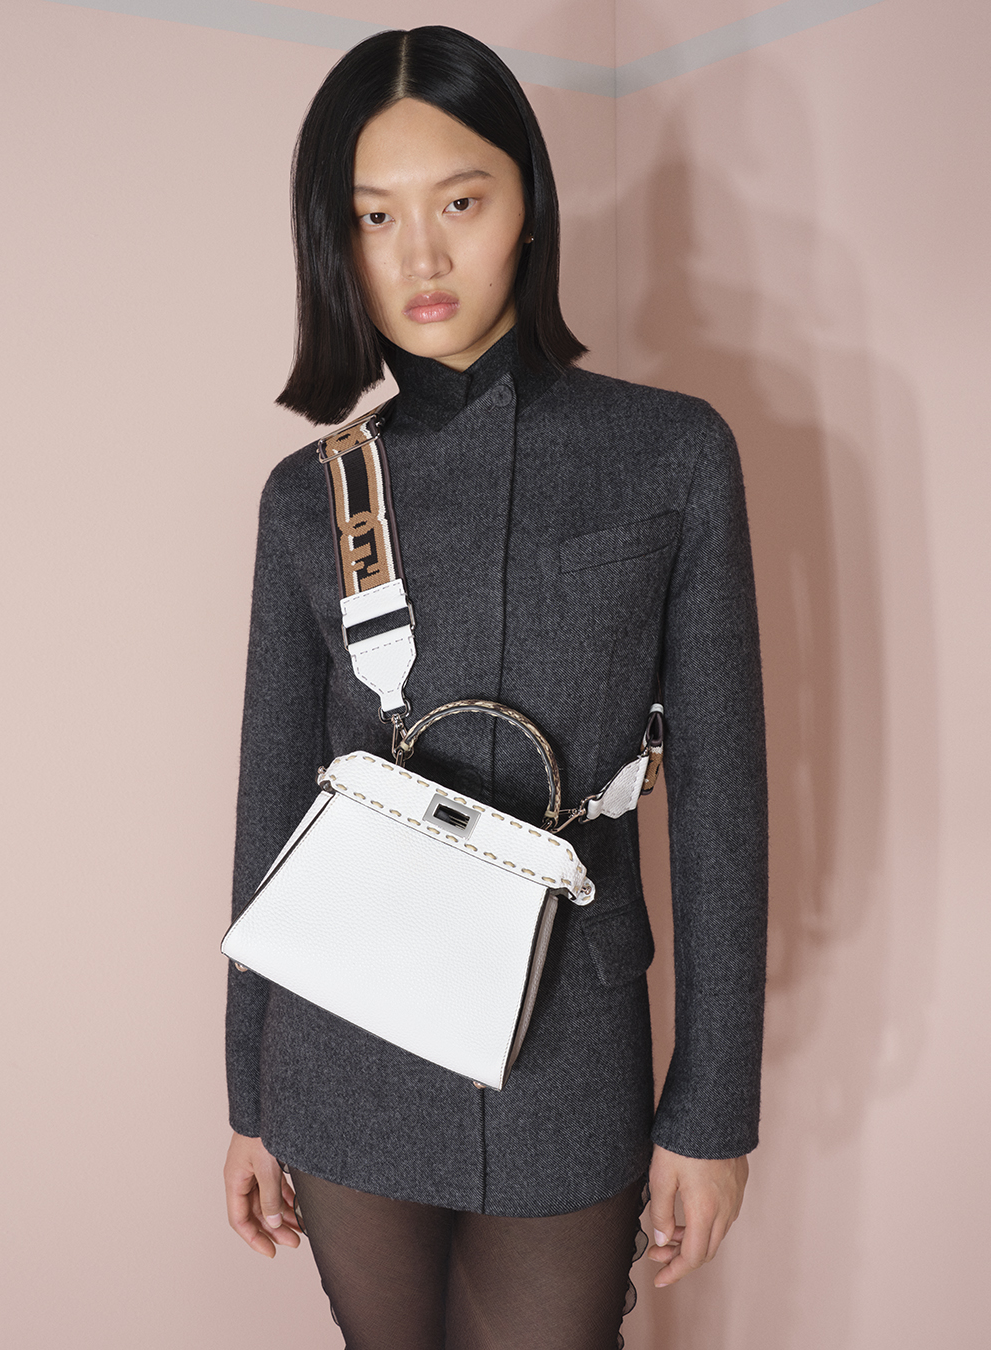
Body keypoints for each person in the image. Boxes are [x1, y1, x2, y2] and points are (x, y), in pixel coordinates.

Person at [222, 25, 767, 1350]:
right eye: (375, 216)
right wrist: (248, 1097)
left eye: (459, 202)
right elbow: (269, 806)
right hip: (344, 1043)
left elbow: (724, 809)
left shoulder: (671, 454)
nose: (419, 256)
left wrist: (712, 1114)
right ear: (337, 240)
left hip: (569, 1038)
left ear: (528, 204)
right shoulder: (310, 498)